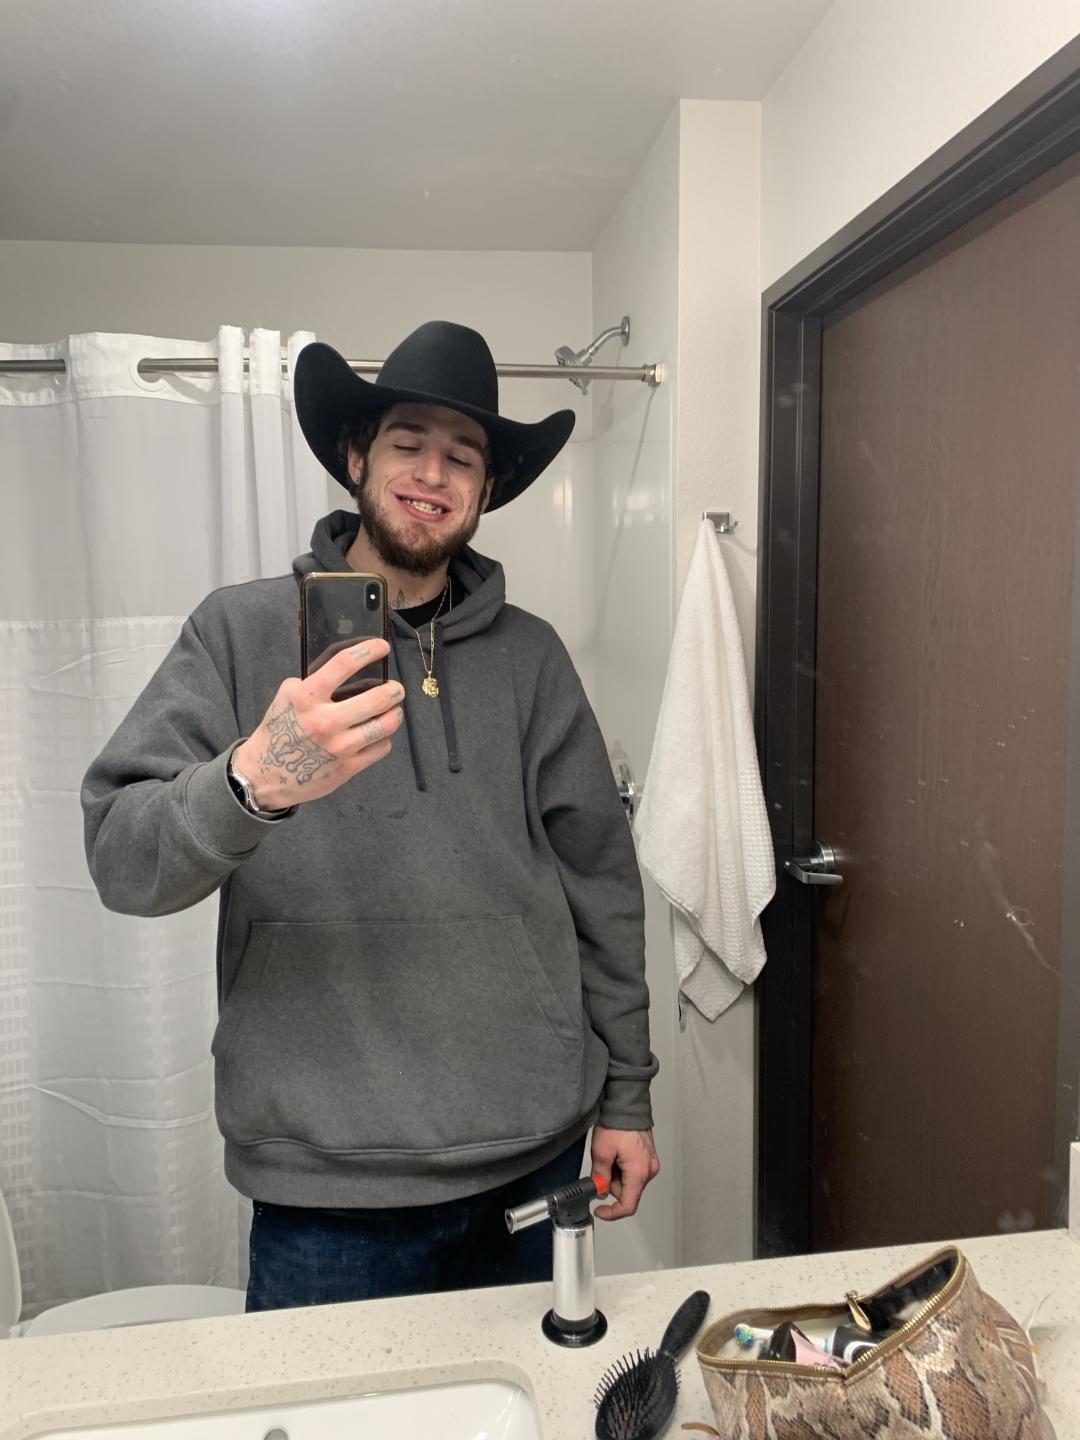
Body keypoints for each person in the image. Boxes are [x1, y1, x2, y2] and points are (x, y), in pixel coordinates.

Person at [81, 320, 659, 1311]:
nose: (433, 474)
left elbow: (603, 889)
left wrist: (630, 1099)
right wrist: (251, 781)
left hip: (533, 1158)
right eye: (408, 443)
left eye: (463, 456)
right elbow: (121, 860)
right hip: (324, 1192)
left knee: (537, 1395)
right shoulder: (239, 632)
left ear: (487, 489)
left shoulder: (533, 659)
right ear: (356, 457)